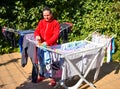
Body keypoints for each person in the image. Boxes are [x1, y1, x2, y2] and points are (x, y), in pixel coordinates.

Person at [34, 6, 60, 86]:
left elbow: (56, 36)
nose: (46, 17)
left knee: (51, 63)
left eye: (48, 15)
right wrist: (37, 36)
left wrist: (47, 42)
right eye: (44, 15)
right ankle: (41, 75)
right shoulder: (41, 22)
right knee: (41, 62)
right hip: (41, 46)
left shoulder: (55, 23)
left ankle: (53, 78)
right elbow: (37, 31)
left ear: (51, 14)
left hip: (51, 47)